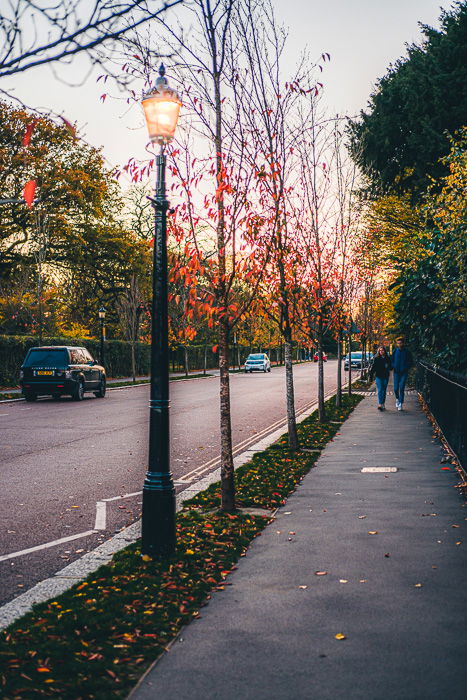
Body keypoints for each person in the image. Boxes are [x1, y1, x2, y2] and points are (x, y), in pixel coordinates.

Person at [391, 337, 413, 411]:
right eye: (398, 343)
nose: (399, 344)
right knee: (395, 388)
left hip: (404, 372)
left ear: (403, 343)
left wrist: (406, 367)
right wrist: (393, 366)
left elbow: (411, 362)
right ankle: (397, 398)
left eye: (400, 343)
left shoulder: (407, 352)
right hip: (396, 372)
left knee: (402, 387)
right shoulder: (394, 351)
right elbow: (392, 360)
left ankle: (400, 403)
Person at [369, 345, 391, 410]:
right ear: (378, 351)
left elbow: (391, 367)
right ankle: (380, 404)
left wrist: (388, 366)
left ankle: (383, 403)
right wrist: (371, 376)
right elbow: (373, 367)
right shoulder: (376, 358)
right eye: (380, 350)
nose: (381, 351)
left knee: (384, 390)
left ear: (384, 351)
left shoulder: (388, 358)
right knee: (380, 390)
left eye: (382, 350)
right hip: (378, 376)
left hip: (385, 376)